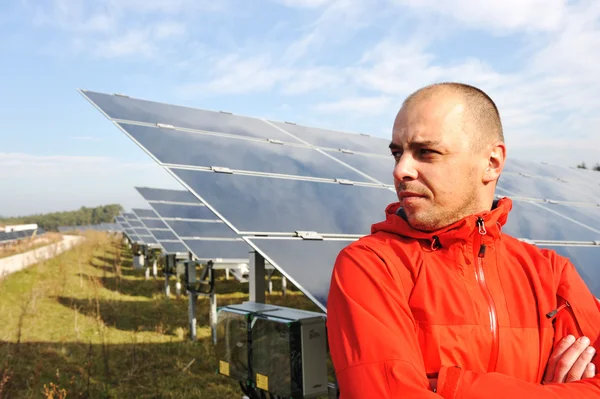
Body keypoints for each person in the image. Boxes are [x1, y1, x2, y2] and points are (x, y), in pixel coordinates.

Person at [326, 82, 600, 398]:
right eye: (397, 153)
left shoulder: (551, 274)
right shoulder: (372, 264)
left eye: (426, 152)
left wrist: (456, 387)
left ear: (492, 162)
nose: (401, 170)